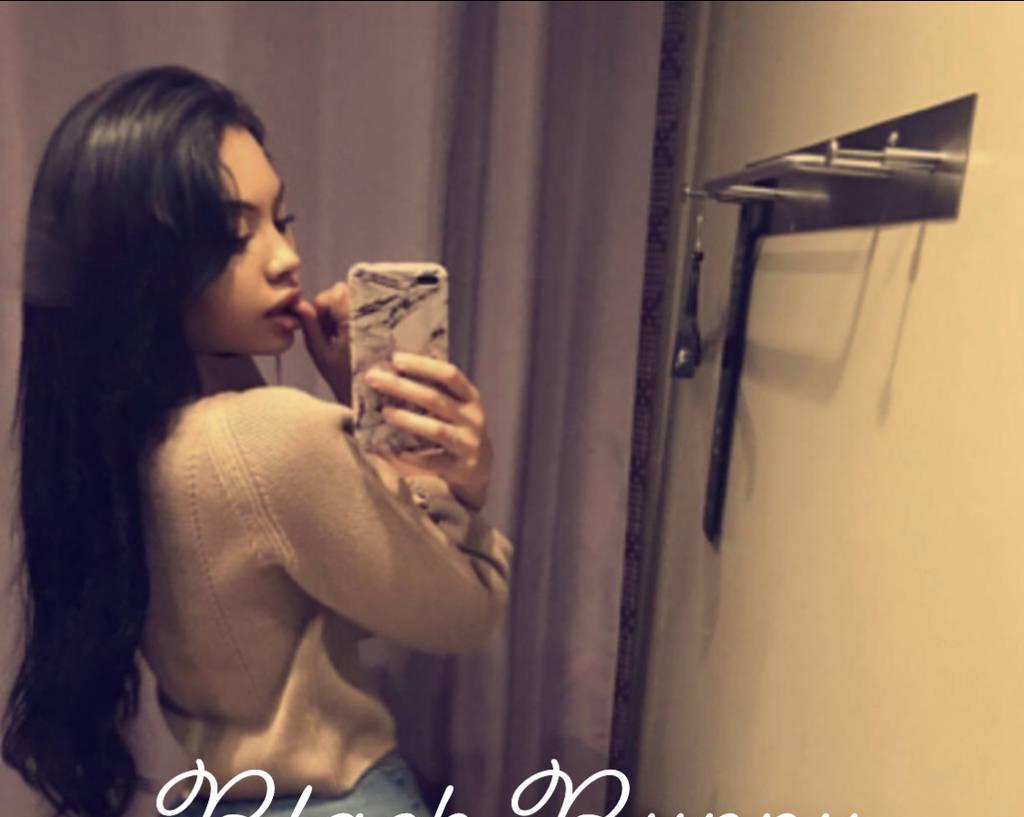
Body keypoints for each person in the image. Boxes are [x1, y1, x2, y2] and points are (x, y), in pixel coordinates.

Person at [2, 65, 513, 817]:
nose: (285, 256)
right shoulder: (268, 439)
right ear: (141, 264)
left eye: (282, 218)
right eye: (235, 234)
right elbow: (465, 611)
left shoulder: (119, 439)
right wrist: (453, 483)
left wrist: (356, 420)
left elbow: (331, 589)